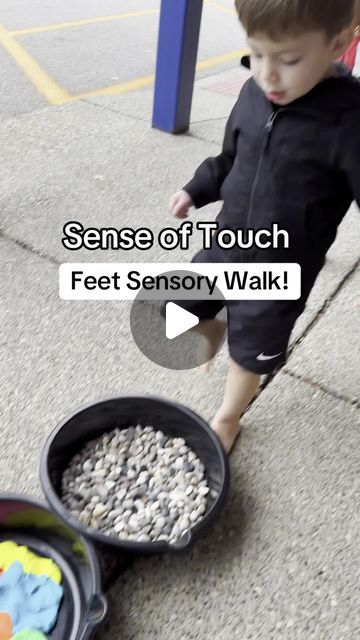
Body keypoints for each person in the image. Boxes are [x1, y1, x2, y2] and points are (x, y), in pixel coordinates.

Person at [166, 0, 360, 454]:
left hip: (280, 270)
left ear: (339, 44)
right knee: (174, 308)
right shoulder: (254, 93)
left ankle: (228, 418)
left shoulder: (350, 121)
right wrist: (195, 190)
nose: (267, 75)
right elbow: (229, 159)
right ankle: (215, 327)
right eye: (255, 53)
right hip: (226, 243)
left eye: (289, 59)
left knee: (248, 355)